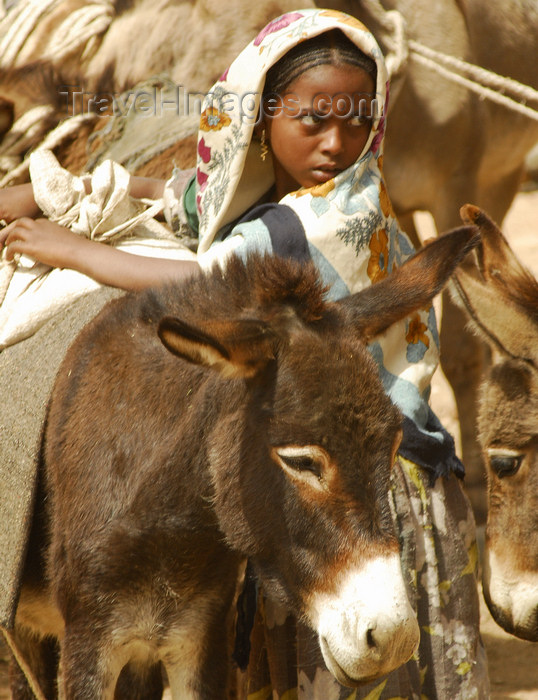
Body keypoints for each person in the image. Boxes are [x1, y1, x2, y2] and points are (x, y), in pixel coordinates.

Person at [0, 8, 488, 698]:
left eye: (356, 121)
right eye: (313, 121)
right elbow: (186, 197)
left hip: (365, 478)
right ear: (262, 120)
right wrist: (77, 192)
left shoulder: (332, 213)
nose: (336, 142)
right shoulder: (279, 189)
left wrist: (78, 252)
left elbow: (211, 287)